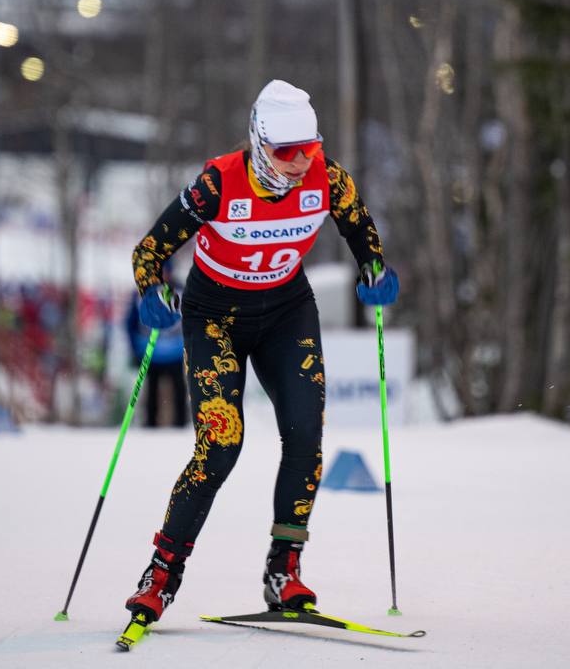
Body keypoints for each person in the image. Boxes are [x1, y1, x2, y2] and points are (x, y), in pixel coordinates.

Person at [121, 79, 399, 630]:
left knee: (304, 434)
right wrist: (151, 292)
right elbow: (150, 249)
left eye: (309, 150)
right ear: (259, 142)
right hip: (214, 318)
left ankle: (284, 570)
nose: (299, 164)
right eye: (286, 152)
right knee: (221, 445)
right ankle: (160, 573)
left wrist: (376, 272)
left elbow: (362, 232)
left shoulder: (328, 179)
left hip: (285, 313)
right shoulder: (217, 184)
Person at [124, 264, 188, 428]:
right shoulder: (142, 293)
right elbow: (130, 322)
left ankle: (180, 426)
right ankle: (150, 426)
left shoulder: (180, 290)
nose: (164, 275)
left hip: (175, 351)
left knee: (178, 389)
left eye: (166, 271)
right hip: (151, 351)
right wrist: (134, 348)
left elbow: (190, 320)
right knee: (152, 391)